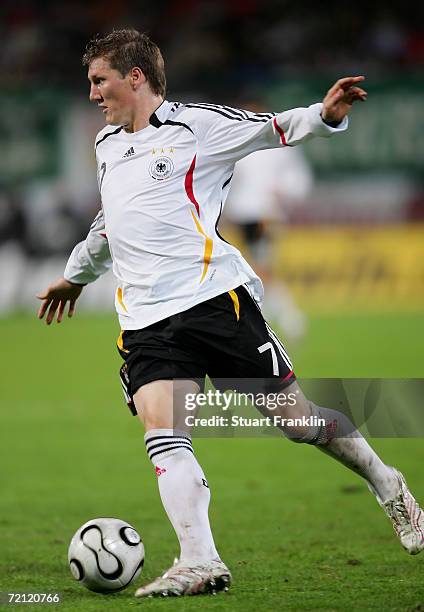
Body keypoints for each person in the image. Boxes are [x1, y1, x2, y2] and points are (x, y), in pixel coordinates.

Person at [37, 29, 424, 598]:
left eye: (99, 80)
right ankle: (200, 559)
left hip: (215, 302)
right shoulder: (106, 146)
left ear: (135, 76)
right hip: (145, 322)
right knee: (162, 429)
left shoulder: (197, 126)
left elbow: (272, 130)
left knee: (299, 424)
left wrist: (325, 114)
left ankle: (388, 484)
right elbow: (109, 223)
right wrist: (76, 275)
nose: (93, 93)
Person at [224, 106, 313, 341]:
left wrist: (283, 191)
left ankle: (287, 318)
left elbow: (298, 178)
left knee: (261, 266)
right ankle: (274, 318)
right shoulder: (240, 142)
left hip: (265, 213)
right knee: (252, 267)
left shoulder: (278, 146)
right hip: (242, 213)